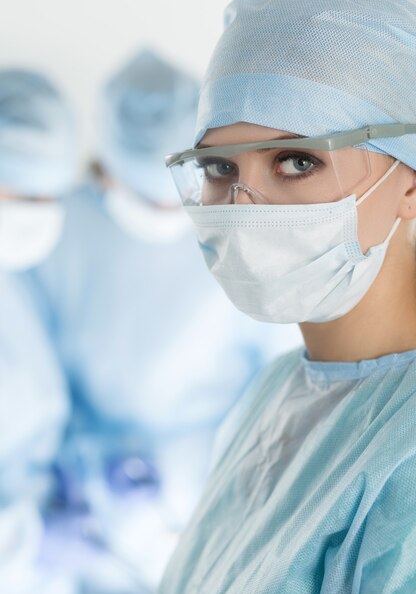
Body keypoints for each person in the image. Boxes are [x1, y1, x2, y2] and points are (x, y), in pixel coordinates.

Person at [158, 0, 416, 593]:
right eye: (220, 168)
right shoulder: (279, 390)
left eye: (298, 161)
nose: (247, 205)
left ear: (410, 182)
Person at [29, 48, 301, 592]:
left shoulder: (238, 235)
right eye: (144, 198)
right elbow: (37, 370)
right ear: (105, 171)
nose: (162, 214)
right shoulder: (60, 229)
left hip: (213, 499)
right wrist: (81, 466)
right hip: (83, 508)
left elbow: (277, 384)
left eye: (175, 198)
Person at [0, 69, 78, 593]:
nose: (36, 215)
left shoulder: (16, 280)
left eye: (48, 197)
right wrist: (27, 544)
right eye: (22, 194)